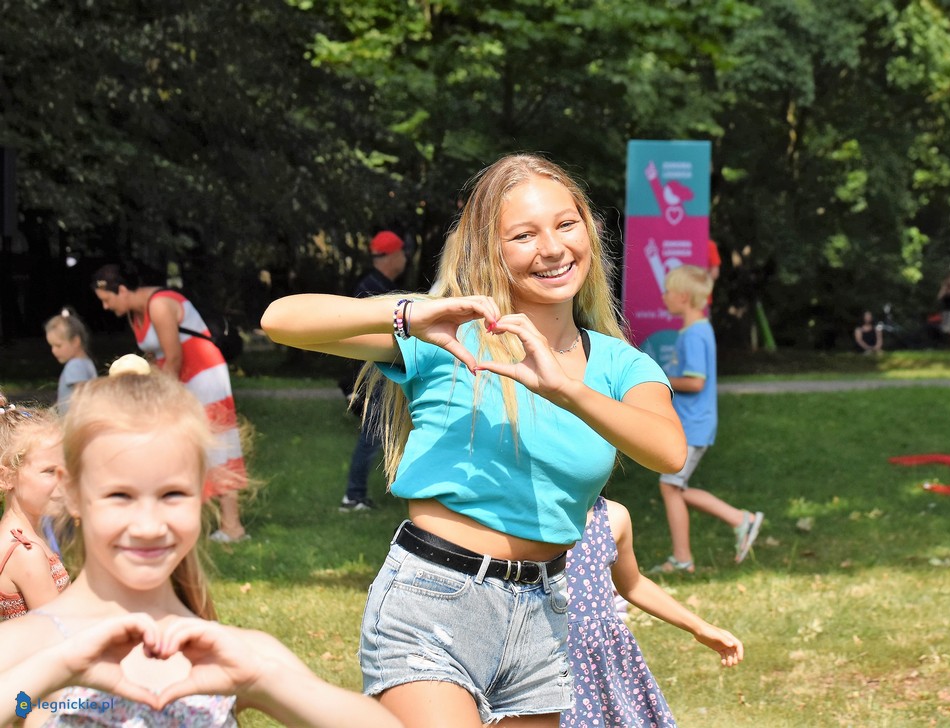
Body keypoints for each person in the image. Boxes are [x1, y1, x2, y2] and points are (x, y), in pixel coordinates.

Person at [261, 152, 687, 728]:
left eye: (566, 224)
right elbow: (282, 319)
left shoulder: (618, 364)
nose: (554, 248)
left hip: (543, 614)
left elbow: (667, 449)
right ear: (491, 249)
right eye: (524, 235)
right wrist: (409, 314)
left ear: (589, 228)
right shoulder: (450, 334)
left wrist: (567, 390)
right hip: (435, 599)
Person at [0, 356, 402, 728]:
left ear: (202, 494)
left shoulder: (237, 655)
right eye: (119, 496)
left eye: (172, 494)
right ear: (71, 494)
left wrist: (265, 680)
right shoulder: (28, 644)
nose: (148, 525)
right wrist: (54, 672)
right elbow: (22, 704)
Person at [90, 263, 248, 543]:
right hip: (180, 380)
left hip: (203, 376)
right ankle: (191, 520)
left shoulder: (160, 304)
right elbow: (155, 358)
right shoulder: (134, 314)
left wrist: (162, 401)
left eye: (107, 299)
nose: (104, 307)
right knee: (187, 445)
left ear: (123, 290)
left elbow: (174, 358)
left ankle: (233, 526)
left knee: (216, 444)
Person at [561, 496, 743, 728]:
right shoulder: (519, 518)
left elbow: (633, 584)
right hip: (545, 657)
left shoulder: (613, 516)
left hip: (602, 660)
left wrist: (700, 627)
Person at [651, 265, 763, 574]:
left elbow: (695, 382)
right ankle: (740, 521)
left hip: (693, 426)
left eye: (668, 290)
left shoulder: (695, 334)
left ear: (683, 297)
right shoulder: (695, 330)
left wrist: (661, 379)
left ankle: (684, 557)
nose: (664, 296)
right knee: (675, 487)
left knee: (670, 487)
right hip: (691, 424)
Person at [338, 230, 408, 512]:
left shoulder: (376, 284)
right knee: (373, 434)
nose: (405, 258)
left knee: (380, 432)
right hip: (377, 374)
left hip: (380, 371)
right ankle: (353, 495)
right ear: (393, 256)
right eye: (402, 252)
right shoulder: (373, 289)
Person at [0, 398, 69, 621]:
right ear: (6, 477)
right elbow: (62, 634)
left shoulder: (30, 537)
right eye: (49, 471)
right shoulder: (25, 552)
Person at [44, 307, 98, 414]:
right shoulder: (86, 363)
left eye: (58, 346)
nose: (54, 351)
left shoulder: (75, 365)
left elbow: (82, 401)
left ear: (75, 341)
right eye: (52, 346)